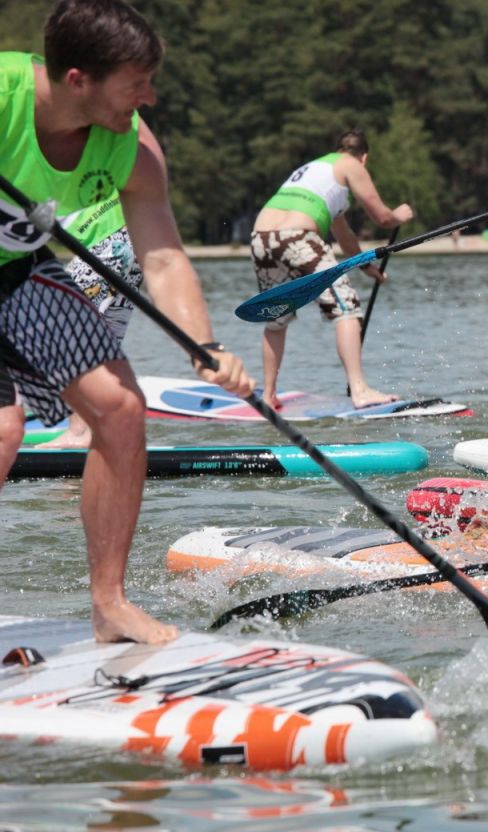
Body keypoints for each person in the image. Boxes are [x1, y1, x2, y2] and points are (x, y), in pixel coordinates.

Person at [0, 0, 252, 643]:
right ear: (78, 78)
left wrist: (204, 343)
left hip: (17, 271)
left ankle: (109, 606)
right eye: (136, 82)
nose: (151, 96)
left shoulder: (130, 144)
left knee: (119, 408)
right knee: (4, 430)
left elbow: (162, 256)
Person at [251, 129, 413, 409]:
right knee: (347, 308)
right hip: (298, 237)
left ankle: (268, 396)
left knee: (276, 318)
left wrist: (366, 268)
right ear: (365, 157)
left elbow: (344, 236)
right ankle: (360, 391)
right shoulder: (351, 164)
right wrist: (400, 215)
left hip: (260, 238)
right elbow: (383, 217)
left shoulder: (316, 170)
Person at [34, 190, 140, 448]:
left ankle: (85, 431)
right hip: (132, 238)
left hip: (105, 241)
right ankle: (101, 428)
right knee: (102, 343)